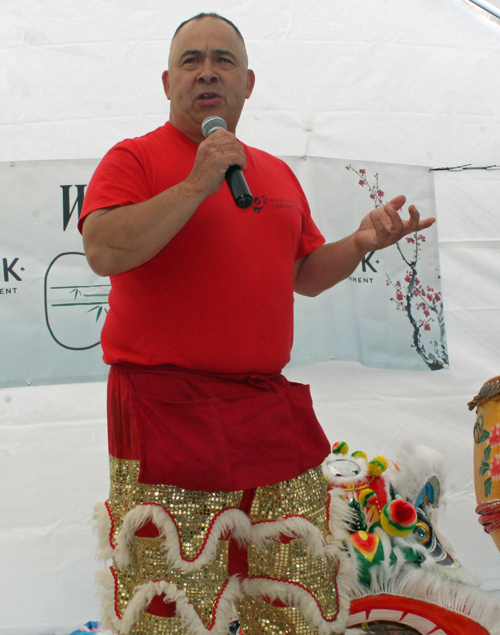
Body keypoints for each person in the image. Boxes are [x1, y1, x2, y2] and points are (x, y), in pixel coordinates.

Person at [79, 12, 435, 635]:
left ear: (248, 81)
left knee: (298, 588)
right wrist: (197, 182)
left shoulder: (273, 172)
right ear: (167, 82)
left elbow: (306, 274)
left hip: (267, 408)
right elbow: (105, 249)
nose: (208, 71)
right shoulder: (134, 157)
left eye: (223, 60)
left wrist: (359, 242)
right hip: (165, 406)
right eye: (192, 61)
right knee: (174, 600)